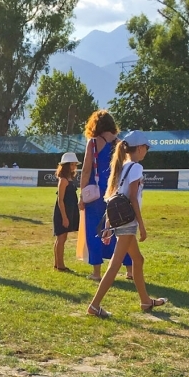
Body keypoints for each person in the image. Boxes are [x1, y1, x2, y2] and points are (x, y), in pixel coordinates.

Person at [86, 132, 166, 317]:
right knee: (115, 265)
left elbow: (112, 197)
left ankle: (146, 301)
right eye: (146, 147)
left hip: (119, 220)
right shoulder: (136, 168)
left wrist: (108, 224)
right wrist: (142, 225)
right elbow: (132, 199)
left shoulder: (121, 167)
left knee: (138, 260)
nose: (146, 151)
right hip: (128, 222)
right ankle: (94, 305)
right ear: (139, 148)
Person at [79, 110, 131, 281]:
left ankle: (96, 272)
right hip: (115, 190)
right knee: (120, 229)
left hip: (96, 192)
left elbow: (86, 170)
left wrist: (81, 194)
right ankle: (130, 270)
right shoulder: (119, 143)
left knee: (94, 230)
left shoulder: (93, 143)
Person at [52, 152, 80, 271]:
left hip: (69, 211)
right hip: (62, 212)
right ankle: (60, 265)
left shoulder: (70, 179)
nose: (74, 167)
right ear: (66, 165)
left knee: (62, 238)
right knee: (61, 238)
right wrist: (64, 217)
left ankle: (57, 263)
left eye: (75, 164)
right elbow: (60, 200)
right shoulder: (63, 180)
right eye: (72, 164)